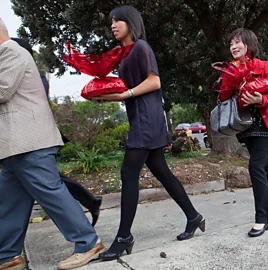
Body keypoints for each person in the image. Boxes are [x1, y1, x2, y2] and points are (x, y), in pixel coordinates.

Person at [91, 6, 204, 260]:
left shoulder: (141, 47)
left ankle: (124, 237)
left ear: (131, 22)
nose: (113, 24)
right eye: (111, 21)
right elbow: (125, 88)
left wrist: (125, 94)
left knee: (128, 173)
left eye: (118, 20)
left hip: (147, 118)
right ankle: (194, 216)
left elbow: (155, 81)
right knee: (162, 171)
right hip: (139, 117)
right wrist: (104, 96)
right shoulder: (123, 54)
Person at [0, 17, 104, 270]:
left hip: (28, 141)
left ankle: (88, 242)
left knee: (51, 193)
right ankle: (7, 255)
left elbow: (2, 90)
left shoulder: (9, 51)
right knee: (10, 200)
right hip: (16, 144)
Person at [11, 37, 103, 226]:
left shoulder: (33, 77)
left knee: (50, 182)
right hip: (24, 140)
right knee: (43, 181)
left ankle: (87, 221)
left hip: (35, 138)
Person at [218, 28, 268, 237]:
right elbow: (223, 97)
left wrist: (260, 100)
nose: (233, 47)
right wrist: (231, 81)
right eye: (231, 43)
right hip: (246, 127)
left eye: (237, 42)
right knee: (267, 167)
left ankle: (261, 219)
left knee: (255, 167)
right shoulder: (230, 70)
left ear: (248, 44)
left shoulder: (264, 66)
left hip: (267, 124)